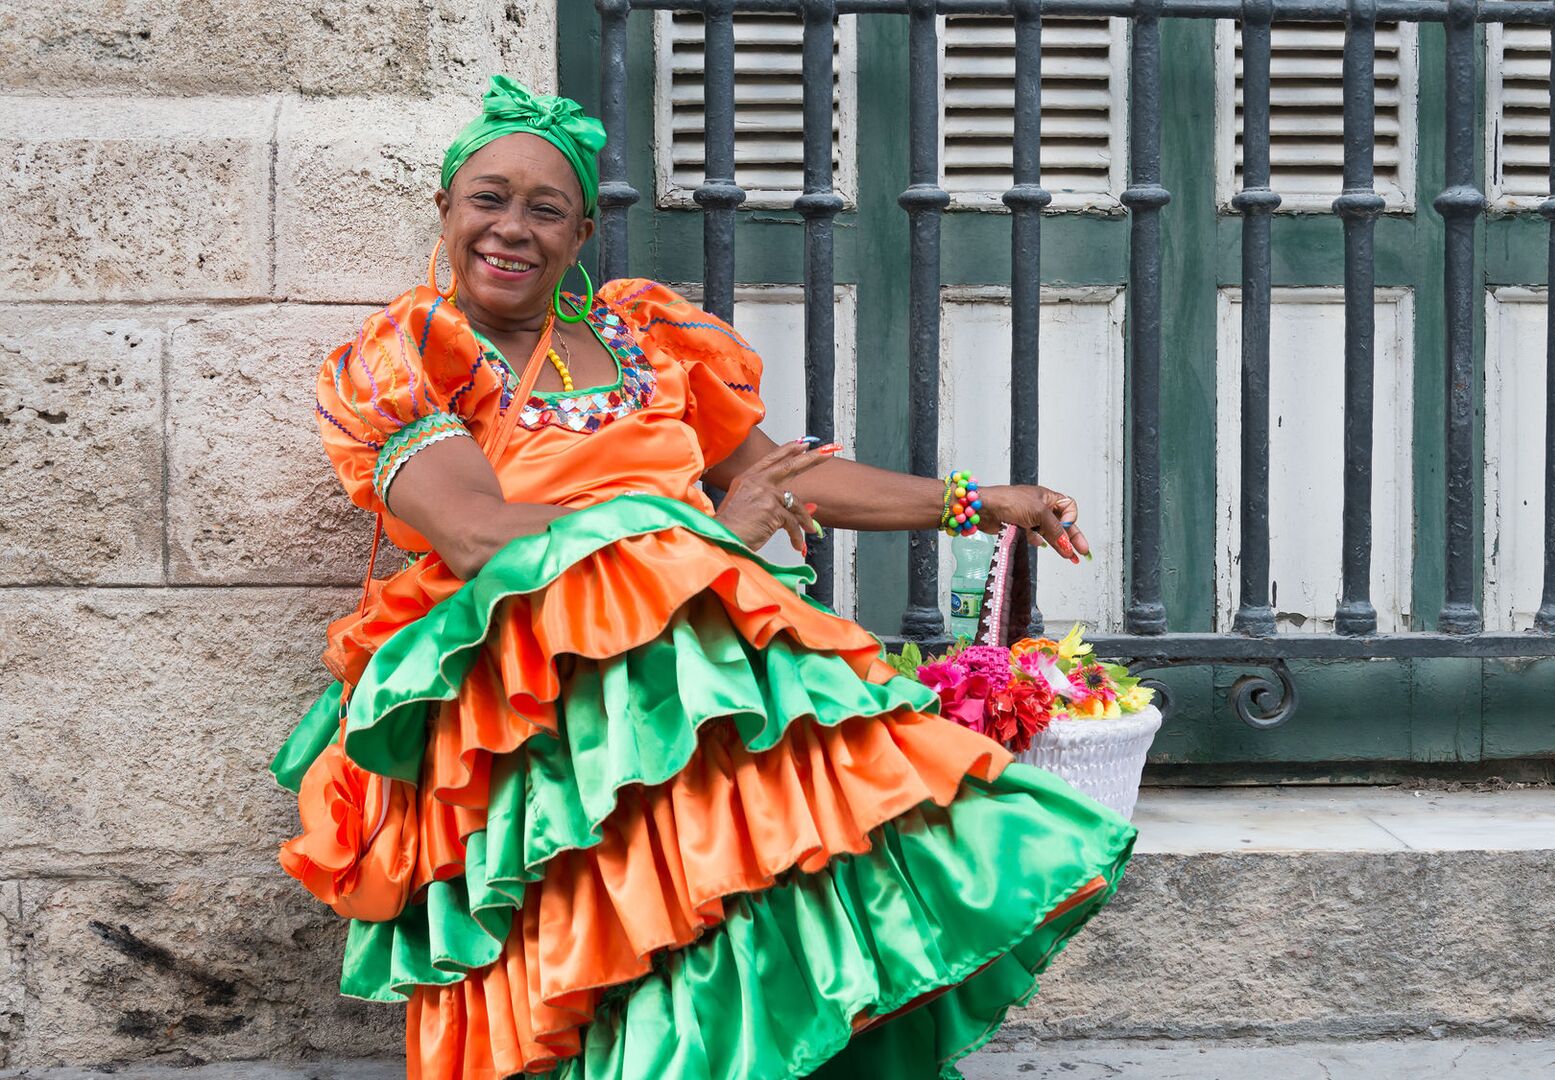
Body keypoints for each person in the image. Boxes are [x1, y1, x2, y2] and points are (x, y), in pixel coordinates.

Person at [269, 74, 1135, 1080]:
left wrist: (982, 501)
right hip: (538, 703)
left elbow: (780, 479)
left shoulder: (648, 337)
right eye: (488, 199)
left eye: (545, 209)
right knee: (609, 938)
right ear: (446, 211)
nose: (511, 228)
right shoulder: (410, 354)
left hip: (707, 688)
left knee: (733, 917)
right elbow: (477, 536)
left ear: (582, 231)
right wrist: (712, 531)